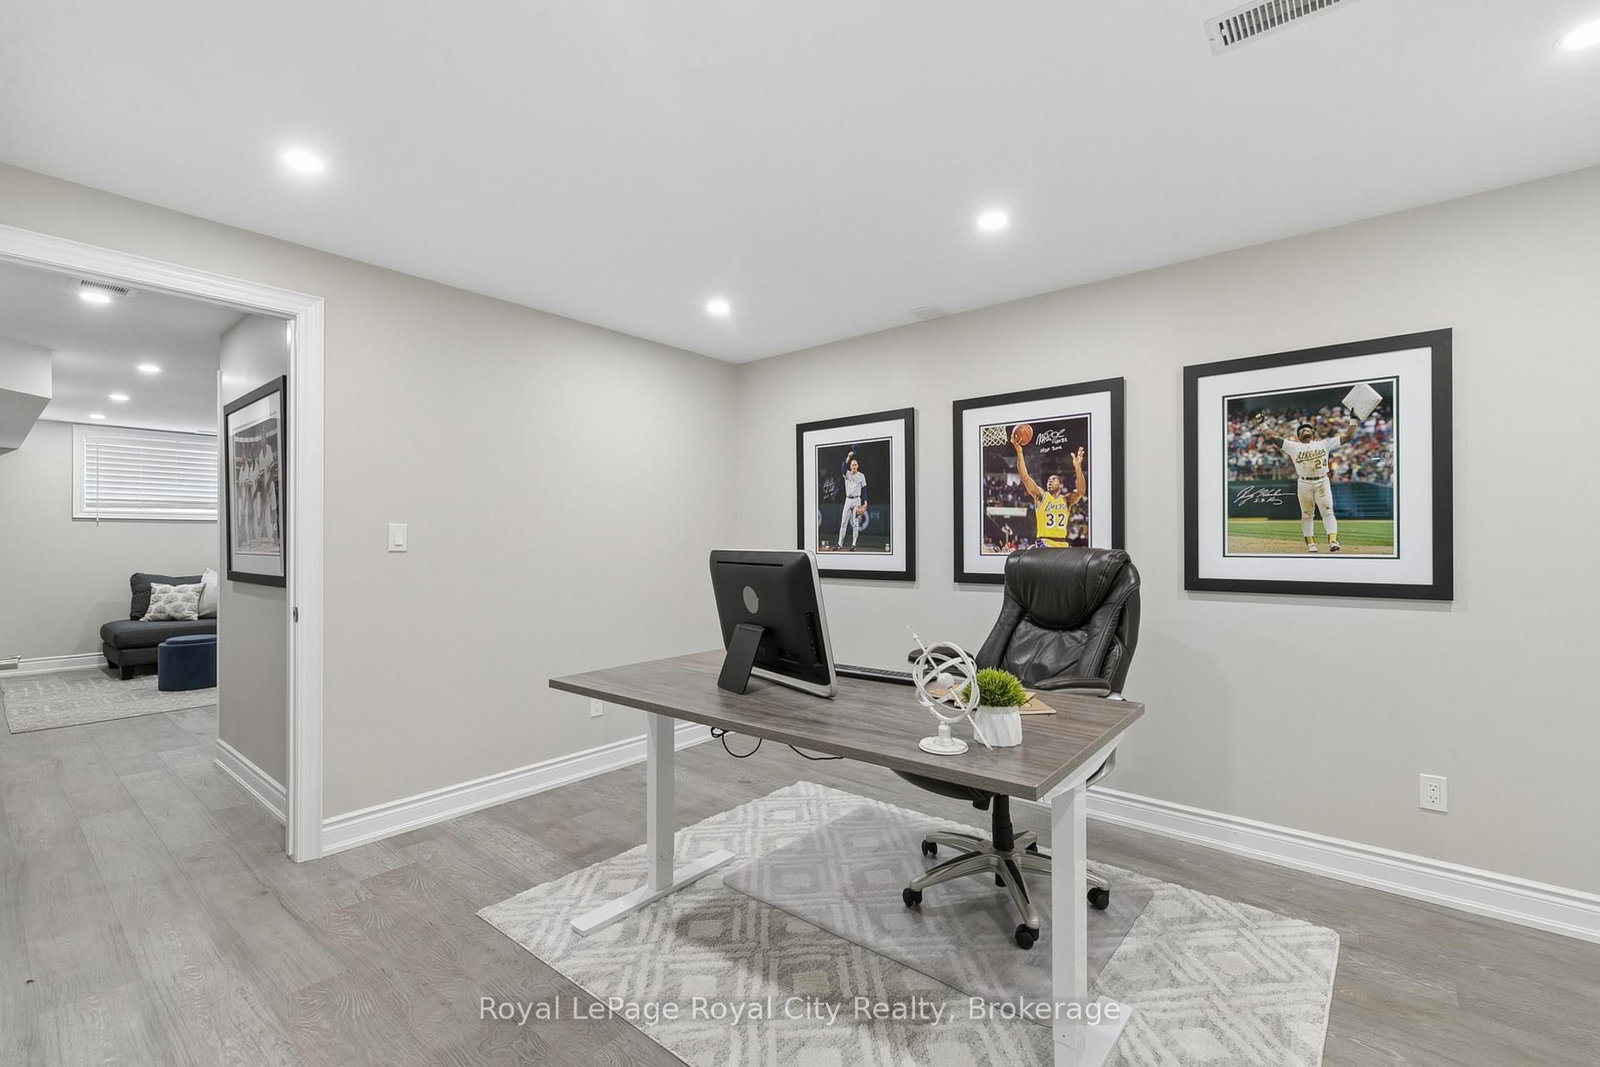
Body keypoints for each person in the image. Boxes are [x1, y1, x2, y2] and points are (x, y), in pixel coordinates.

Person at [1252, 416, 1354, 552]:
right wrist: (1262, 424)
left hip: (1322, 480)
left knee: (1328, 511)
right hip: (1304, 482)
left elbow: (1348, 436)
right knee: (1306, 514)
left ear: (1313, 433)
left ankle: (1333, 541)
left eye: (1308, 428)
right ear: (1298, 436)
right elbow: (1272, 436)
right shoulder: (1293, 446)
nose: (1305, 430)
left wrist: (1354, 420)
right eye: (1301, 430)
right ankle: (1311, 544)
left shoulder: (1324, 444)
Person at [1012, 436, 1085, 548]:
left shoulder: (1066, 500)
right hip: (1045, 543)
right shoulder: (1041, 496)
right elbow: (1025, 477)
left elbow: (1080, 492)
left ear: (1061, 485)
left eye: (1053, 480)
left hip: (1062, 544)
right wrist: (1019, 452)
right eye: (1048, 480)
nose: (1049, 481)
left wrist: (1078, 468)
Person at [837, 452, 868, 552]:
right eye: (852, 464)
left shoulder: (861, 476)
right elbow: (842, 468)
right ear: (850, 466)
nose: (854, 466)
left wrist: (865, 502)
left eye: (855, 464)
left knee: (855, 524)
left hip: (857, 500)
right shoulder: (847, 474)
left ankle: (853, 544)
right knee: (843, 522)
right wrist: (848, 457)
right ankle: (839, 544)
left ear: (858, 466)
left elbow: (864, 490)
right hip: (848, 500)